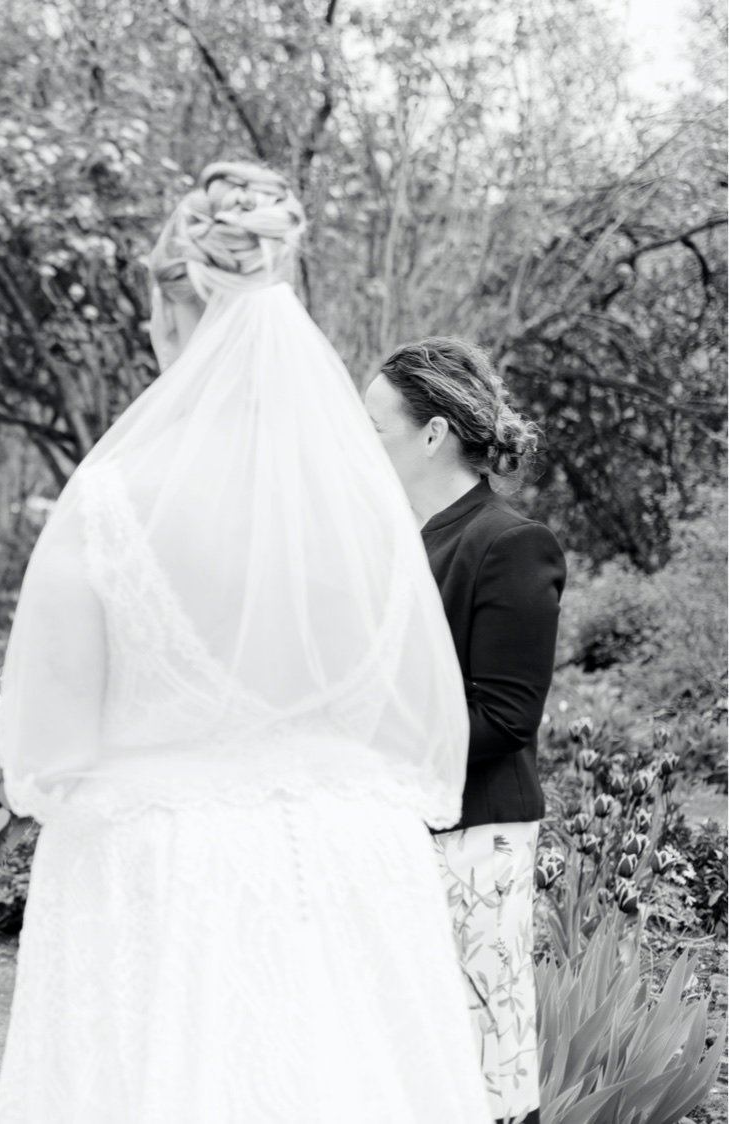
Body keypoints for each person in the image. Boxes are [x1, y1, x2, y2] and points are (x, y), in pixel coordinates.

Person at [0, 162, 491, 1122]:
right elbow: (398, 686)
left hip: (163, 879)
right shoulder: (361, 503)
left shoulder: (112, 498)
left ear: (172, 312)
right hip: (349, 859)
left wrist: (10, 761)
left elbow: (47, 750)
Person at [366, 338, 566, 1124]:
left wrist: (370, 741)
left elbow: (506, 717)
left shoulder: (508, 542)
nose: (361, 446)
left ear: (434, 433)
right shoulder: (404, 541)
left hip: (475, 836)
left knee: (485, 1052)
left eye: (374, 427)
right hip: (400, 827)